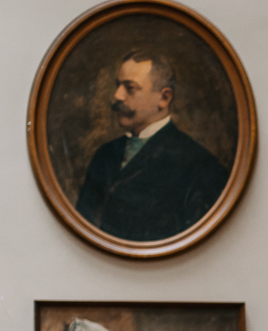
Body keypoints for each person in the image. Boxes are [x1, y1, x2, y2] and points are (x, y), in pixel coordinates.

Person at [75, 52, 231, 243]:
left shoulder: (200, 166)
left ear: (164, 98)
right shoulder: (104, 154)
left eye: (130, 88)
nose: (118, 95)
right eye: (118, 85)